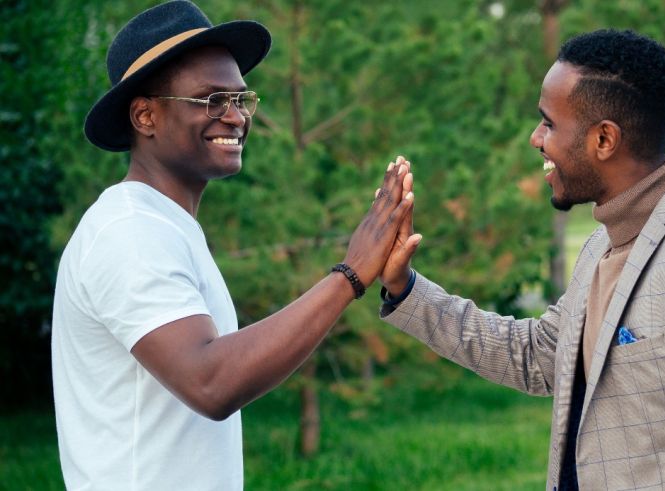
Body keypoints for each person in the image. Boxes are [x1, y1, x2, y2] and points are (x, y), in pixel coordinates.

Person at [378, 29, 665, 490]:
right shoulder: (601, 248)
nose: (535, 138)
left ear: (604, 139)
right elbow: (537, 355)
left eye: (548, 123)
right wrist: (405, 287)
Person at [51, 1, 419, 489]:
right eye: (210, 100)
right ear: (145, 115)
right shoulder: (129, 232)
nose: (235, 116)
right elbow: (211, 383)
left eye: (241, 99)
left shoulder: (164, 225)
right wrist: (350, 275)